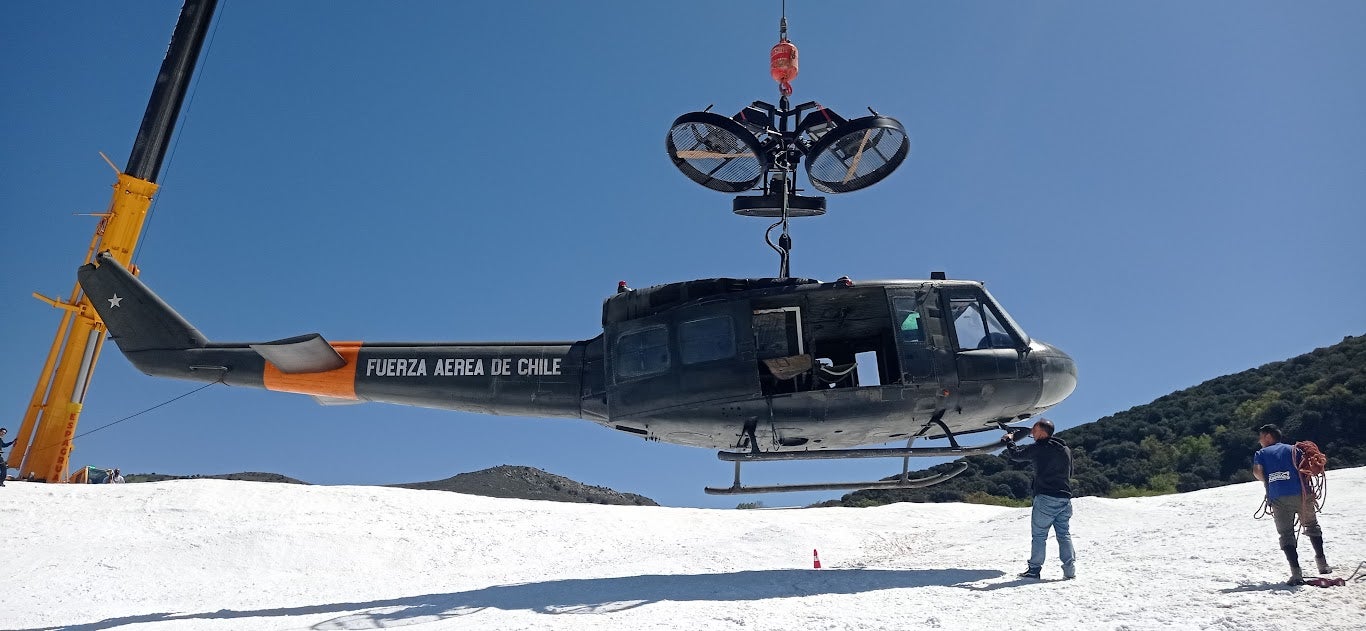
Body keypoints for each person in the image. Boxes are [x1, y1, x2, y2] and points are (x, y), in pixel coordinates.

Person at [1252, 424, 1330, 585]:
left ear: (1268, 436)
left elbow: (1257, 472)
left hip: (1279, 498)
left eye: (1261, 437)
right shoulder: (1295, 449)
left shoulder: (1261, 453)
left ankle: (1296, 573)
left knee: (1286, 534)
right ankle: (1322, 564)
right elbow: (1308, 468)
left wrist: (1271, 481)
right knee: (1311, 525)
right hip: (1303, 494)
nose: (1259, 441)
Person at [1003, 419, 1076, 580]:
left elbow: (1017, 455)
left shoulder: (1040, 447)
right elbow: (1070, 472)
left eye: (1034, 430)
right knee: (1064, 535)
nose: (1032, 433)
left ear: (1043, 432)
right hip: (1065, 498)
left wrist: (1009, 440)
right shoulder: (1065, 449)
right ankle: (1069, 571)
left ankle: (1034, 570)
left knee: (1039, 535)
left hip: (1046, 497)